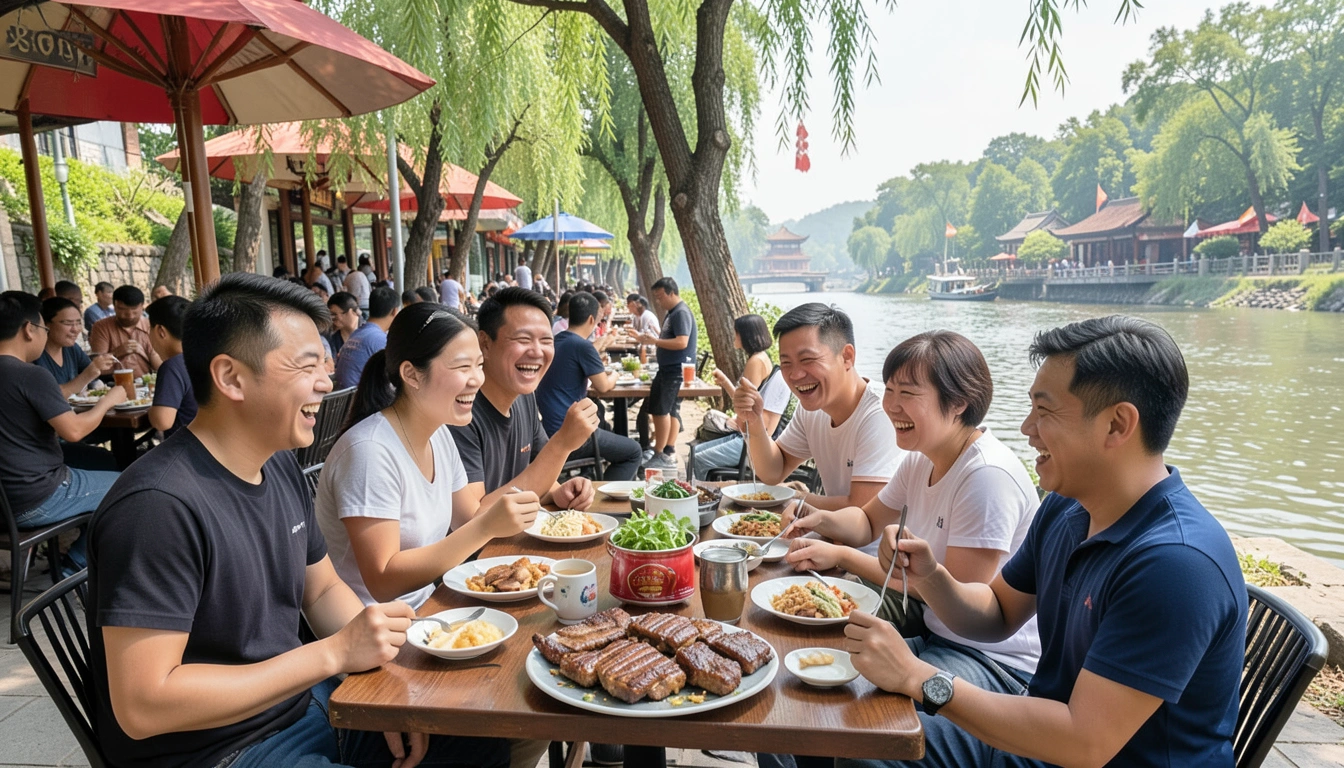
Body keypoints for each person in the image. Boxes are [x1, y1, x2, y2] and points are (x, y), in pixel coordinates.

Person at [86, 273, 508, 768]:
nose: (326, 384)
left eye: (324, 364)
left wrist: (385, 685)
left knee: (480, 735)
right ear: (231, 377)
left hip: (303, 707)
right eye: (307, 367)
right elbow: (143, 705)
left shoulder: (277, 462)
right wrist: (332, 656)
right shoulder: (157, 506)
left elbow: (323, 590)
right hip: (220, 751)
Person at [839, 316, 1246, 768]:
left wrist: (918, 677)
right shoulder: (1066, 510)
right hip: (1044, 741)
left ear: (1117, 425)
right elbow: (995, 615)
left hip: (1074, 750)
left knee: (870, 746)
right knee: (849, 726)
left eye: (1044, 411)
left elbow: (1084, 743)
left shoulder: (1176, 564)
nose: (1026, 427)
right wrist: (932, 576)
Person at [784, 330, 1040, 681]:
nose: (891, 405)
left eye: (907, 393)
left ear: (959, 402)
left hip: (991, 660)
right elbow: (866, 522)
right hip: (938, 636)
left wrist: (842, 557)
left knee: (856, 702)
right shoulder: (922, 458)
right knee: (818, 656)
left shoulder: (985, 475)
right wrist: (818, 518)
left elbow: (954, 602)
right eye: (889, 390)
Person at [729, 303, 903, 524]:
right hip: (832, 540)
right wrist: (753, 422)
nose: (795, 374)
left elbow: (862, 507)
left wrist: (794, 498)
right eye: (786, 363)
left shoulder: (880, 412)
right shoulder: (812, 409)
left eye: (807, 360)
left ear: (847, 357)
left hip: (878, 555)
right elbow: (774, 470)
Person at [0, 291, 126, 573]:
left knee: (100, 467)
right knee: (130, 487)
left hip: (5, 503)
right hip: (35, 497)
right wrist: (109, 400)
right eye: (45, 328)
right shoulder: (30, 374)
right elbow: (74, 430)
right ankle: (74, 565)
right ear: (28, 330)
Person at [448, 287, 599, 521]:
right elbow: (473, 518)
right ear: (485, 344)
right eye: (523, 339)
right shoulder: (460, 411)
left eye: (546, 341)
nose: (537, 351)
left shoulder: (524, 396)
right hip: (477, 556)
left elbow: (537, 472)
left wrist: (558, 492)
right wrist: (562, 444)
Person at [537, 292, 643, 480]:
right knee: (633, 451)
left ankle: (593, 481)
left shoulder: (558, 340)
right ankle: (604, 498)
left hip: (547, 430)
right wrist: (617, 374)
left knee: (607, 428)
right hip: (572, 434)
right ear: (592, 318)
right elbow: (603, 387)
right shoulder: (582, 346)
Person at [693, 315, 791, 480]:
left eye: (736, 332)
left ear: (745, 335)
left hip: (751, 442)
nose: (733, 336)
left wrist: (734, 420)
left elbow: (744, 407)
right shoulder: (763, 358)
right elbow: (743, 401)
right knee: (694, 453)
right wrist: (724, 381)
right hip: (749, 436)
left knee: (697, 458)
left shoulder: (755, 362)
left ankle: (705, 499)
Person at [636, 277, 696, 470]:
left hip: (675, 370)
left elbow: (681, 342)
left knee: (660, 410)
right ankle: (668, 449)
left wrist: (655, 341)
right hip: (669, 368)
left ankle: (660, 452)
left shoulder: (680, 313)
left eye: (660, 296)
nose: (658, 301)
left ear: (671, 292)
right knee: (670, 410)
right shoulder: (672, 313)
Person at [36, 297, 115, 396]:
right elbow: (51, 397)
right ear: (46, 324)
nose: (76, 329)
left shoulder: (71, 348)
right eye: (68, 323)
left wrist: (96, 367)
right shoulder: (35, 356)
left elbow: (92, 376)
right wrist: (90, 372)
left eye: (78, 323)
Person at [146, 296, 196, 437]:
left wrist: (152, 410)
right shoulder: (208, 354)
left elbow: (162, 421)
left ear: (160, 331)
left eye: (149, 329)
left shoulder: (173, 366)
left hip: (188, 451)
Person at [89, 285, 160, 378]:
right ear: (114, 307)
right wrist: (116, 353)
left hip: (148, 382)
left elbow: (161, 367)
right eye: (122, 310)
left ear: (142, 307)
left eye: (134, 311)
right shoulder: (101, 327)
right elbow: (98, 368)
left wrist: (143, 352)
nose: (130, 316)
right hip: (112, 383)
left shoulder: (151, 326)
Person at [334, 287, 398, 390]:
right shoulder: (380, 339)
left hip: (345, 399)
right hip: (362, 401)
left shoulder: (356, 334)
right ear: (394, 311)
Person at [325, 292, 361, 360]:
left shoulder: (368, 335)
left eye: (334, 314)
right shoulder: (331, 340)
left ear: (350, 312)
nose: (332, 318)